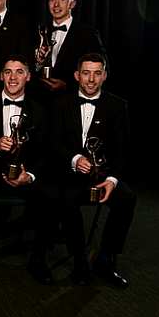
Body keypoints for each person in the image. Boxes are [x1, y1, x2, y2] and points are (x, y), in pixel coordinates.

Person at [50, 53, 136, 287]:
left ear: (105, 76)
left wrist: (111, 180)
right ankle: (79, 260)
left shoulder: (118, 106)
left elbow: (122, 150)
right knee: (66, 199)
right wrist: (75, 159)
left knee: (127, 198)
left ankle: (106, 259)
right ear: (77, 76)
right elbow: (54, 143)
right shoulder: (60, 104)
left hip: (103, 176)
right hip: (72, 174)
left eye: (97, 73)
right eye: (86, 73)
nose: (91, 79)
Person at [0, 55, 54, 284]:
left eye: (19, 72)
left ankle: (39, 261)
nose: (13, 77)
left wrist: (30, 175)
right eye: (8, 72)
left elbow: (47, 152)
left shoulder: (40, 110)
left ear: (28, 76)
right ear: (1, 76)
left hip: (26, 174)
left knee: (50, 197)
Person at [35, 0, 106, 96]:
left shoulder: (88, 34)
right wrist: (38, 62)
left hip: (71, 100)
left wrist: (67, 85)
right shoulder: (39, 31)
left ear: (72, 4)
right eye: (52, 0)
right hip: (39, 101)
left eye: (62, 0)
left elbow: (100, 70)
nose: (56, 5)